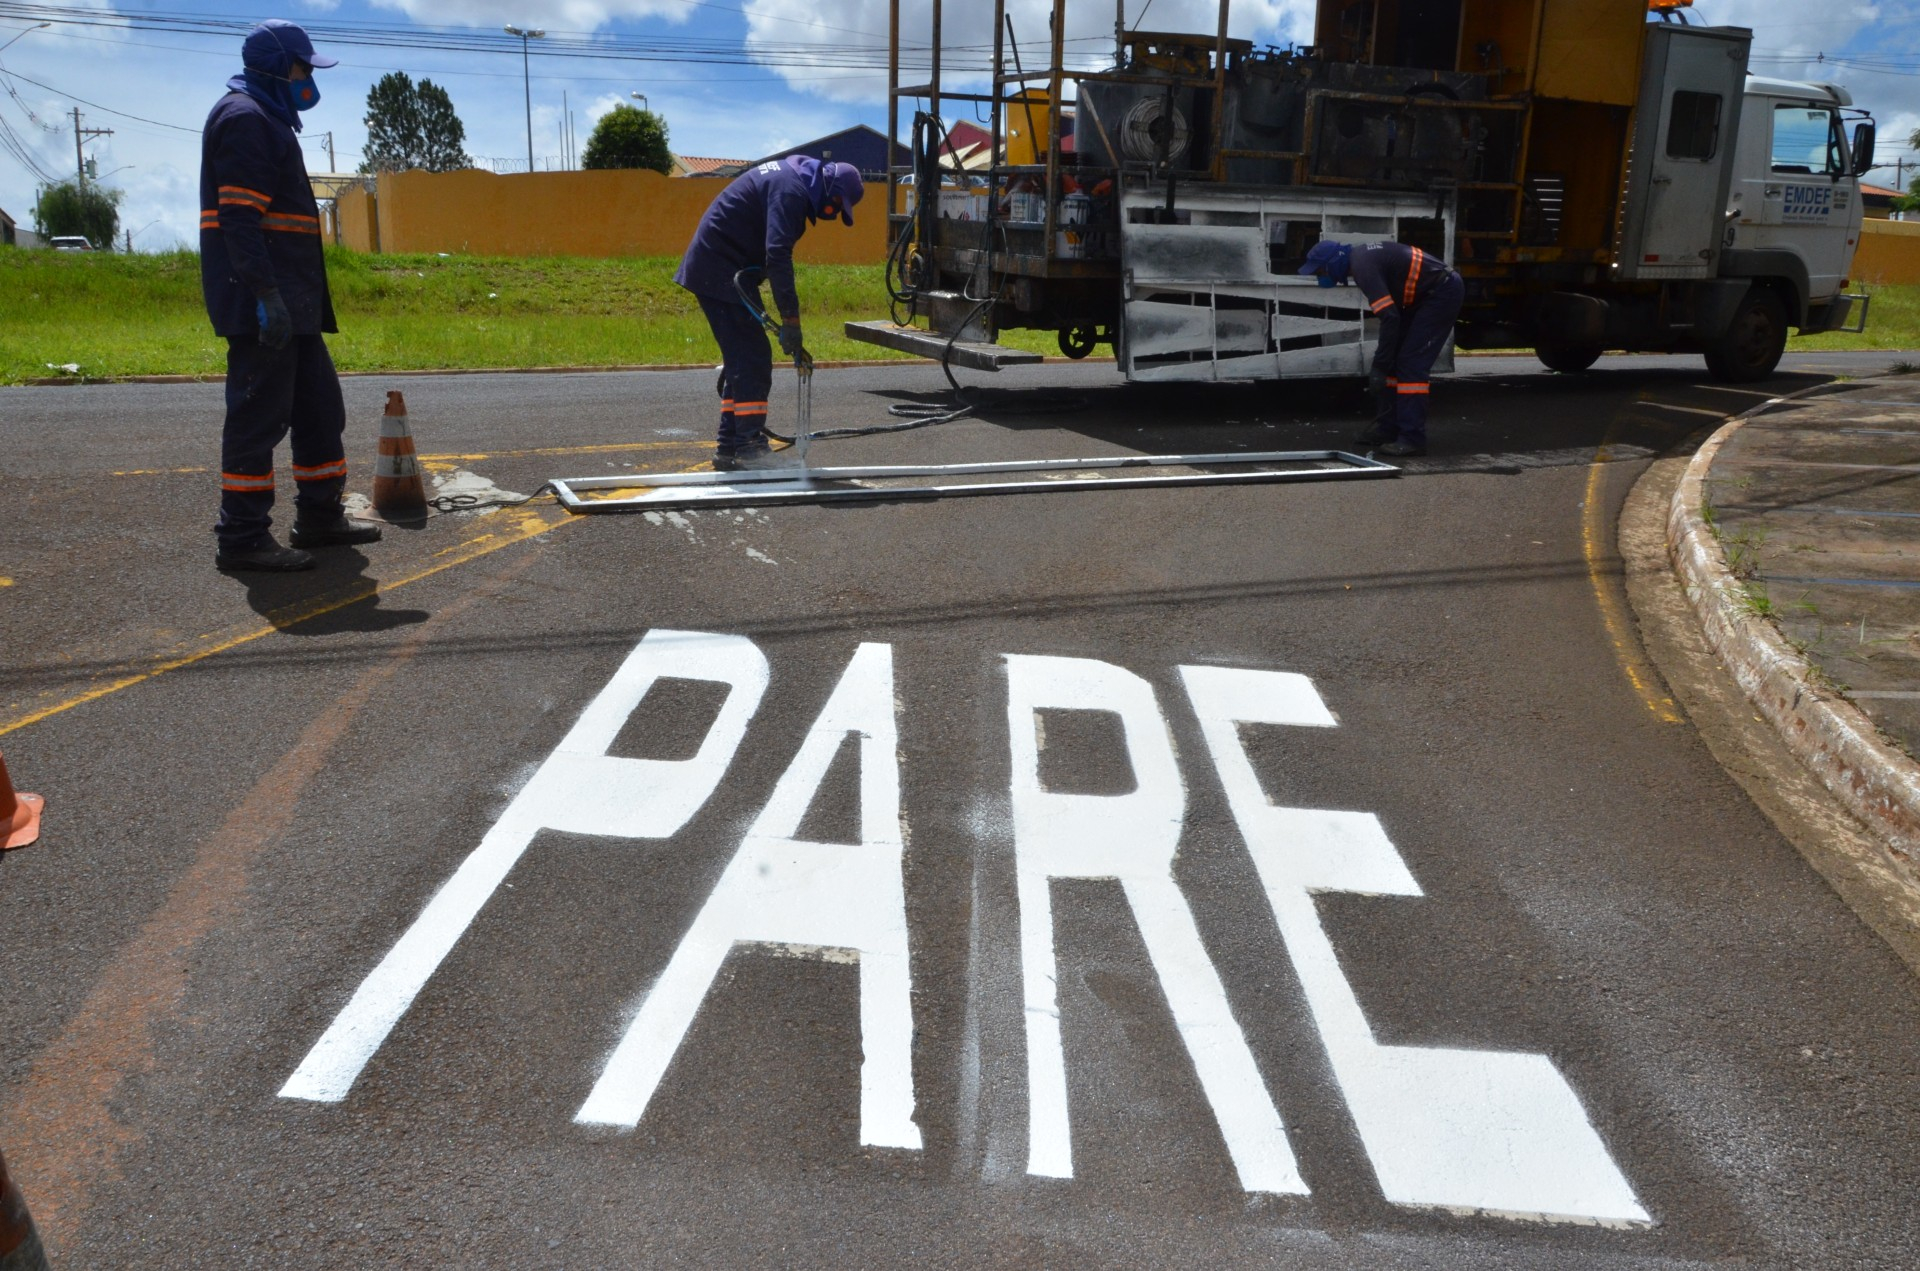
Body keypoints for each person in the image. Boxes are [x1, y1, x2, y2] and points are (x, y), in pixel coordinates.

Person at [200, 20, 380, 571]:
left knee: (320, 411)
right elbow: (239, 218)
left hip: (291, 305)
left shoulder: (269, 120)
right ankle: (243, 537)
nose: (309, 79)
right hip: (264, 305)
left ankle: (320, 518)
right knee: (258, 420)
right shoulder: (246, 120)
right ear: (280, 67)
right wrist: (265, 295)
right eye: (304, 68)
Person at [675, 156, 865, 470]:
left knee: (744, 359)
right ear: (829, 188)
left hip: (722, 267)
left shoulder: (794, 180)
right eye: (836, 206)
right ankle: (749, 448)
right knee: (753, 359)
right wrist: (791, 320)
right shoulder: (791, 191)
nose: (832, 214)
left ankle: (729, 446)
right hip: (719, 268)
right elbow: (777, 254)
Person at [1300, 239, 1464, 457]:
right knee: (1396, 361)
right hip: (1424, 297)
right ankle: (1388, 430)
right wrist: (1385, 363)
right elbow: (1392, 317)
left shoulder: (1362, 267)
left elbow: (1390, 317)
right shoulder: (1361, 259)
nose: (1321, 276)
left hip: (1441, 293)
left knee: (1411, 364)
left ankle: (1412, 439)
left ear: (1334, 260)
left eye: (1321, 270)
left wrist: (1379, 366)